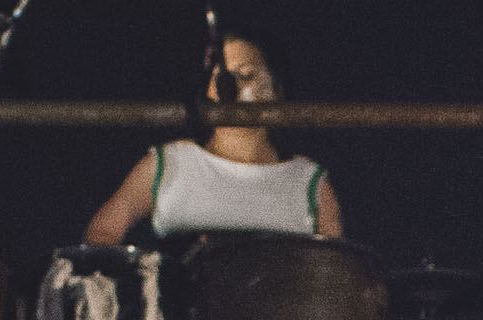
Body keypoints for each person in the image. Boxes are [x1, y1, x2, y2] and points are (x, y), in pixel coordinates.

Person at [84, 29, 344, 246]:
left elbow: (335, 271)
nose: (230, 88)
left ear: (277, 89)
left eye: (246, 75)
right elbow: (102, 234)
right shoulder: (170, 164)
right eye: (221, 78)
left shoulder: (308, 181)